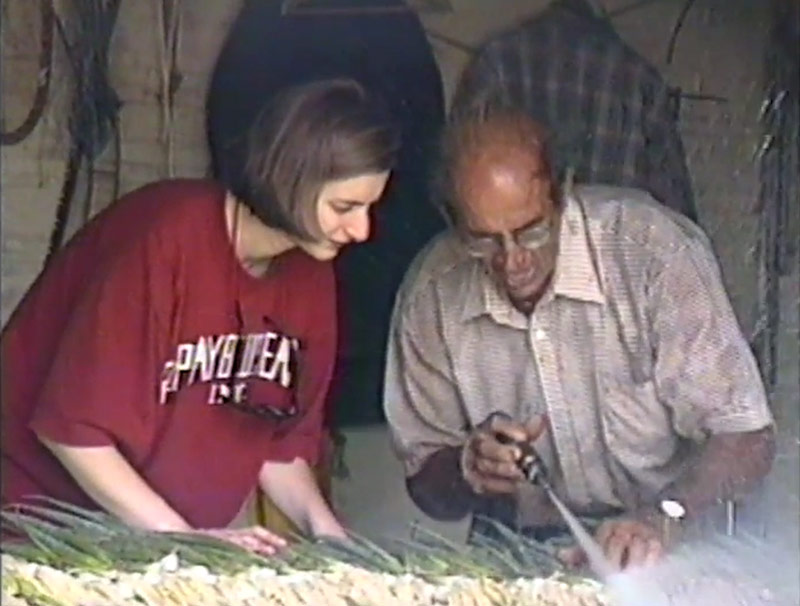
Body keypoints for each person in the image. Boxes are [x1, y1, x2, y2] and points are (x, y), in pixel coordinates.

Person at [1, 78, 399, 555]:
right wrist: (183, 541)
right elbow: (70, 433)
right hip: (35, 530)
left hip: (148, 541)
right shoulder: (167, 238)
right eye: (344, 207)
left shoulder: (310, 269)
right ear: (289, 177)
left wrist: (329, 535)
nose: (361, 230)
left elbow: (275, 439)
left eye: (369, 208)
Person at [383, 106, 775, 571]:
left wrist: (664, 517)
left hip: (678, 527)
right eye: (484, 241)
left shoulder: (652, 251)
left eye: (531, 232)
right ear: (452, 221)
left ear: (563, 193)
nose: (513, 262)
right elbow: (427, 487)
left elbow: (746, 437)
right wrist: (471, 468)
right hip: (524, 544)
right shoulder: (432, 292)